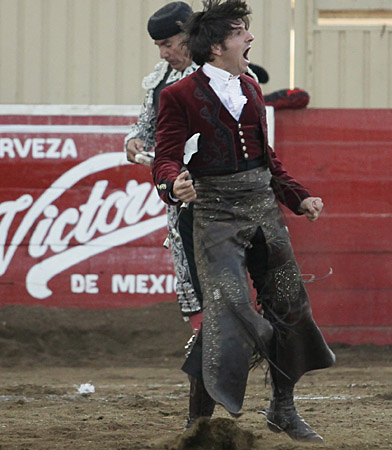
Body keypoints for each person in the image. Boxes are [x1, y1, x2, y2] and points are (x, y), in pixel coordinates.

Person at [151, 0, 336, 443]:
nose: (249, 37)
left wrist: (299, 197)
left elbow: (267, 160)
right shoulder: (178, 95)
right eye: (239, 32)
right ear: (217, 47)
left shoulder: (251, 88)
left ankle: (282, 408)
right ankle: (198, 423)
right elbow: (165, 158)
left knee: (290, 306)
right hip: (214, 219)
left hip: (265, 216)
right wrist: (174, 184)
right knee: (226, 311)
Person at [124, 2, 204, 328]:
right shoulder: (162, 77)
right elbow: (146, 124)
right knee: (185, 259)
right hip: (175, 186)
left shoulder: (217, 69)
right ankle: (203, 334)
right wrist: (134, 140)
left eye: (167, 44)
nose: (163, 54)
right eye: (159, 46)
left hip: (216, 185)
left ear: (188, 35)